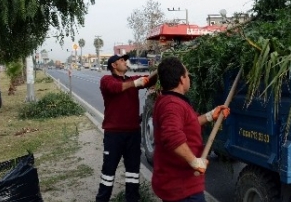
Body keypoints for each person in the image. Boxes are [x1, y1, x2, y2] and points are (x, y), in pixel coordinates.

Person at [151, 56, 231, 202]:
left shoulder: (169, 100)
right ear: (182, 79)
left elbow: (187, 123)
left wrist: (210, 115)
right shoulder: (172, 105)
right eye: (187, 75)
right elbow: (172, 136)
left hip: (179, 184)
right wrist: (194, 161)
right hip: (181, 189)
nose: (189, 78)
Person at [95, 54, 158, 202]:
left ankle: (132, 199)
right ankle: (102, 199)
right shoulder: (106, 80)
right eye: (121, 60)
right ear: (114, 66)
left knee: (133, 172)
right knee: (108, 172)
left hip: (133, 135)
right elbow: (116, 88)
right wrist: (135, 83)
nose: (125, 62)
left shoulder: (131, 80)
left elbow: (150, 80)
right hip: (114, 136)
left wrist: (160, 70)